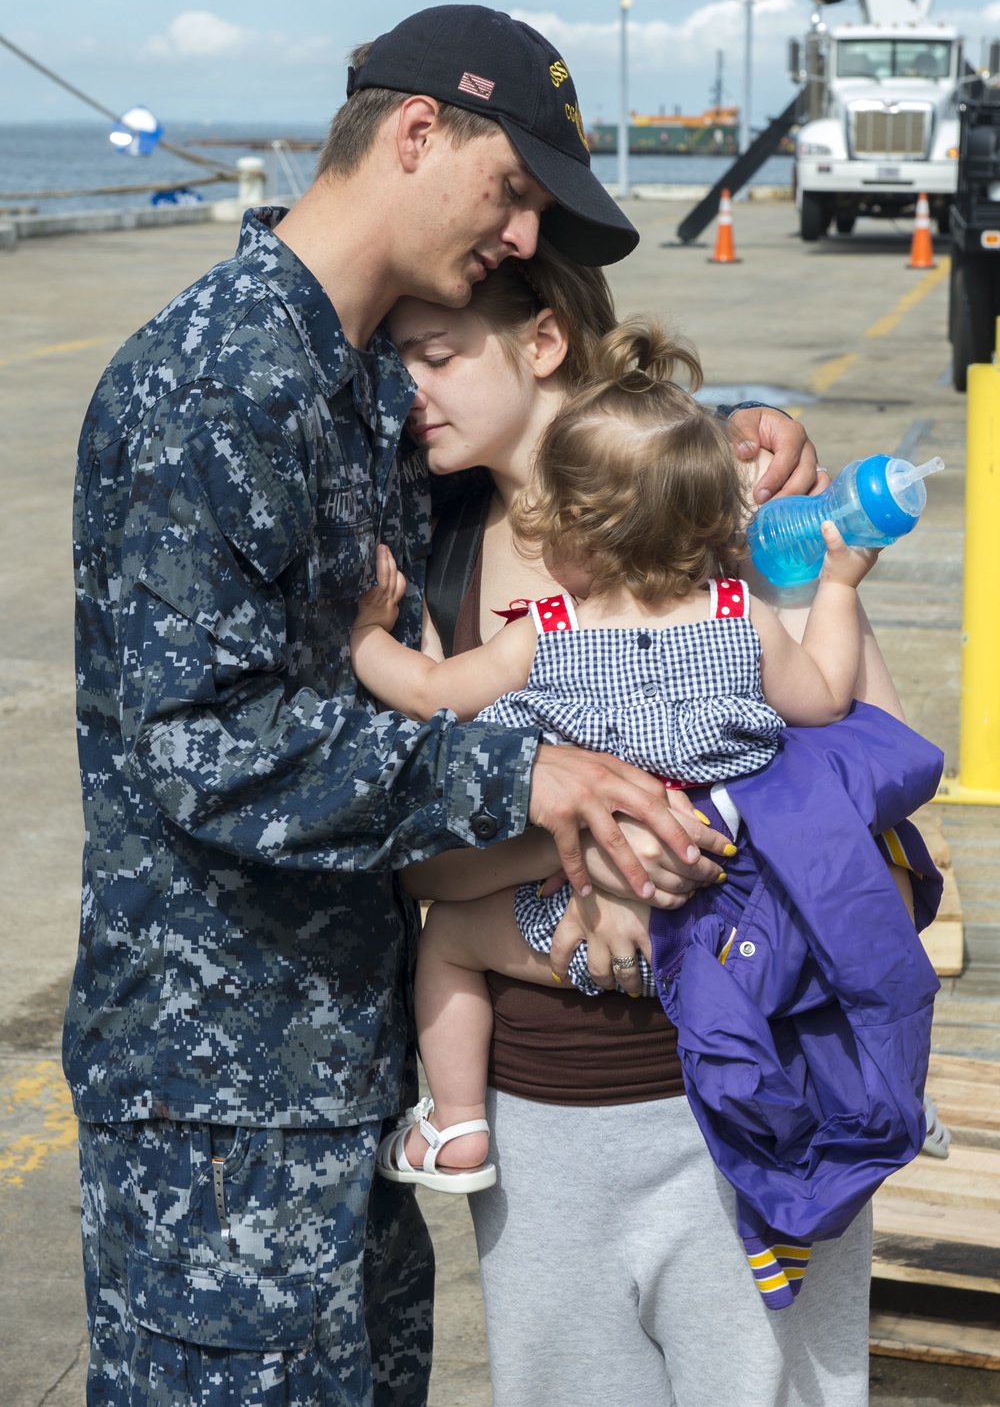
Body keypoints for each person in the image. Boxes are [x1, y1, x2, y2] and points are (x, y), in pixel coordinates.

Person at [64, 4, 760, 1407]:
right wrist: (531, 784)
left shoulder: (362, 378)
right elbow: (211, 752)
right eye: (513, 192)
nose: (518, 238)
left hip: (349, 1069)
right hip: (223, 1106)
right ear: (417, 131)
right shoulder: (217, 385)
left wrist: (741, 445)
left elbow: (552, 439)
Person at [360, 249, 937, 1407]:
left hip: (754, 1100)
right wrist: (593, 842)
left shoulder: (708, 511)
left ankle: (449, 1117)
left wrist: (810, 559)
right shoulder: (430, 546)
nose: (405, 393)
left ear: (542, 341)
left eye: (432, 354)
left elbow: (867, 761)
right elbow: (412, 855)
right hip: (552, 1116)